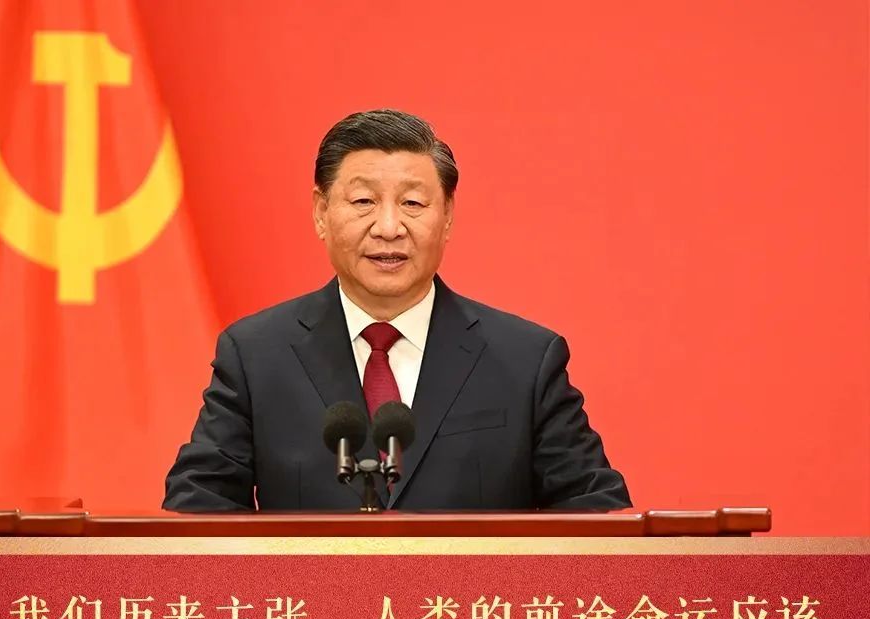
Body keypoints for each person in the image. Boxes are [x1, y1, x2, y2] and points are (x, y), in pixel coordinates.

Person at [164, 109, 630, 512]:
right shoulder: (256, 355)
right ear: (321, 212)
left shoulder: (526, 360)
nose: (388, 227)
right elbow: (198, 505)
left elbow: (595, 512)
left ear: (447, 216)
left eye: (412, 203)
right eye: (363, 201)